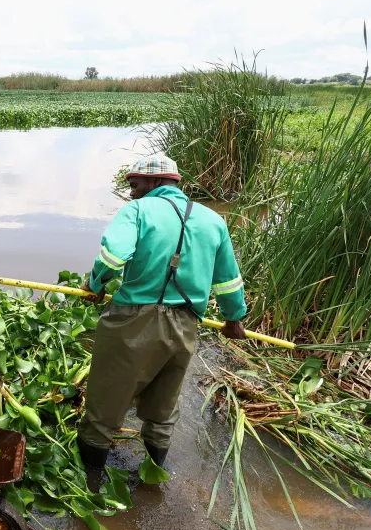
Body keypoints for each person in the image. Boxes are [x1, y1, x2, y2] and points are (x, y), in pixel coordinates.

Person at [77, 154, 247, 472]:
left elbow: (113, 257)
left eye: (135, 185)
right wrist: (233, 318)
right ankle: (152, 482)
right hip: (185, 326)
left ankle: (92, 486)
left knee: (103, 407)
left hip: (132, 322)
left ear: (156, 182)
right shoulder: (214, 221)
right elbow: (227, 279)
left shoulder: (137, 211)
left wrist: (96, 283)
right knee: (163, 408)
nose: (131, 192)